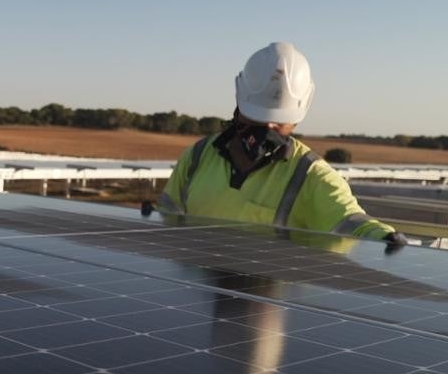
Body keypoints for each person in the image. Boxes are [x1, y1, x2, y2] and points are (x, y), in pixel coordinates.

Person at [158, 42, 407, 246]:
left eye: (278, 123)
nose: (266, 129)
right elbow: (167, 213)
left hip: (266, 298)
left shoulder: (311, 175)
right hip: (195, 292)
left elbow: (350, 220)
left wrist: (383, 237)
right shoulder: (199, 155)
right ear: (240, 104)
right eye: (256, 117)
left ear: (297, 120)